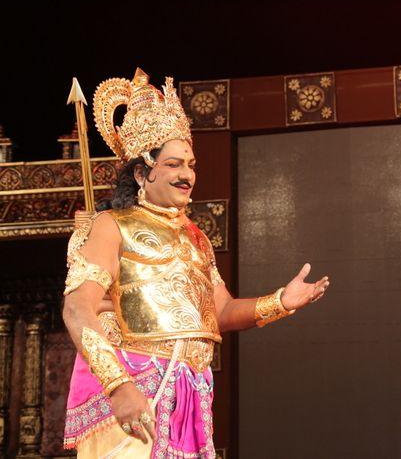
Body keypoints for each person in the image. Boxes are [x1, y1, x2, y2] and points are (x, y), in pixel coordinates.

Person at [62, 68, 330, 458]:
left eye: (190, 165)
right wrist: (119, 386)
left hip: (189, 394)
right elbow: (76, 308)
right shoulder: (111, 226)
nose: (187, 174)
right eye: (173, 164)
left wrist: (282, 302)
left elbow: (220, 311)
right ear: (142, 172)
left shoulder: (196, 237)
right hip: (134, 391)